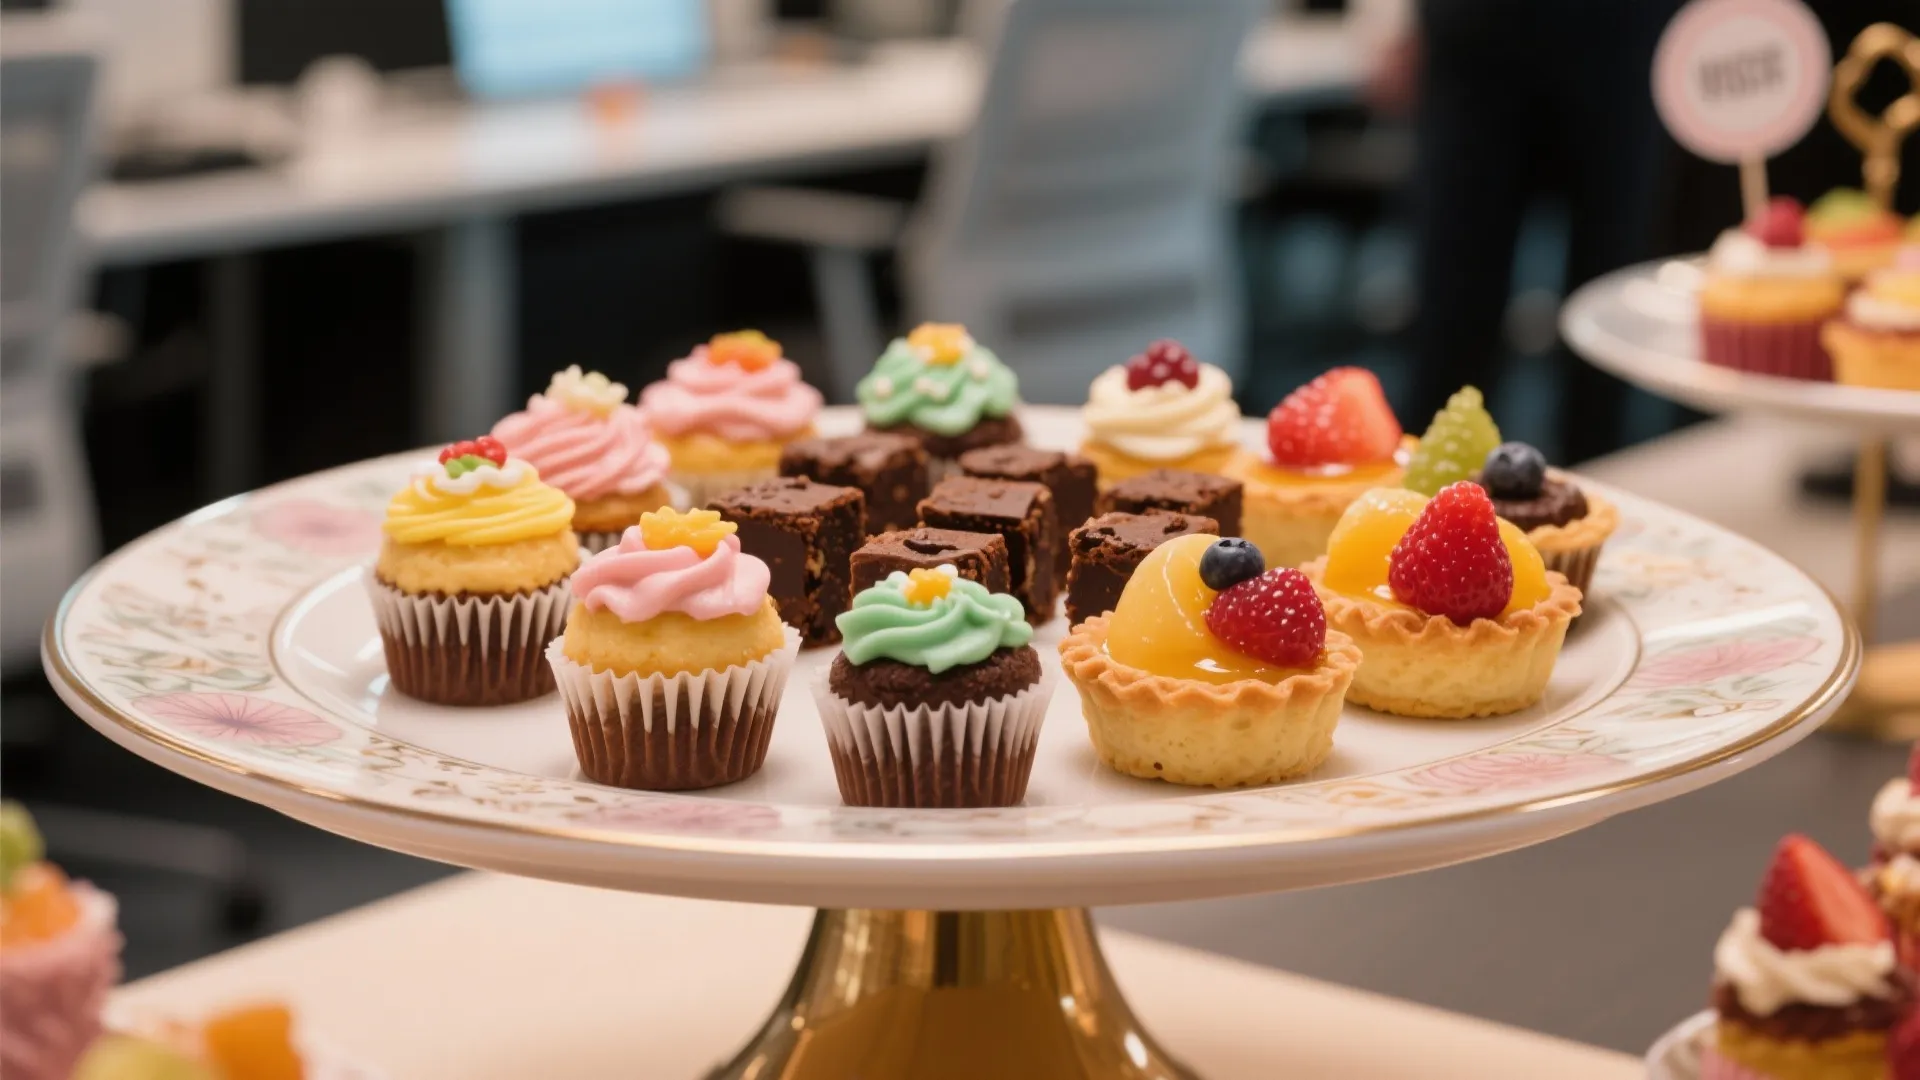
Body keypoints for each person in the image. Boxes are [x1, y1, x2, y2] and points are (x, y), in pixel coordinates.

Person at [1375, 0, 1679, 463]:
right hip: (1476, 35)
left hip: (1625, 30)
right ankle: (1421, 515)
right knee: (1451, 315)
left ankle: (1595, 517)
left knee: (1609, 312)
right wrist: (1385, 20)